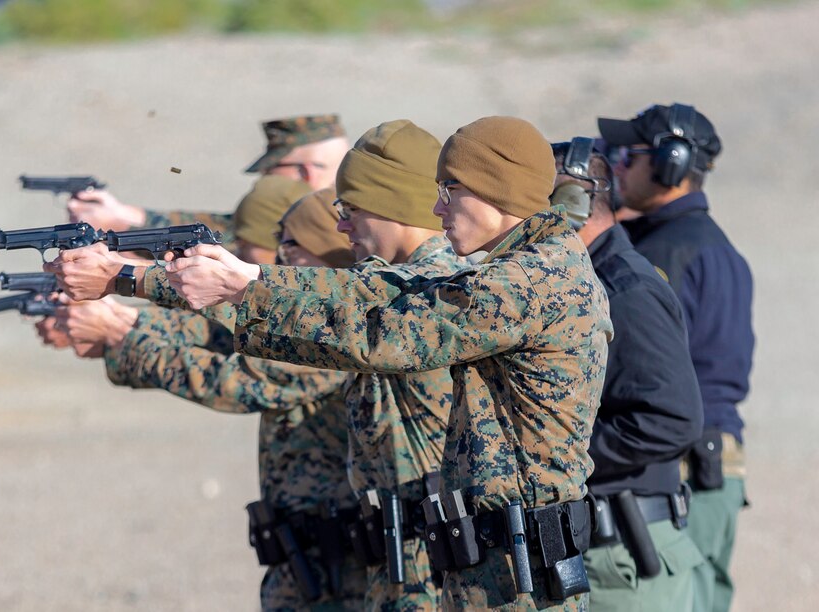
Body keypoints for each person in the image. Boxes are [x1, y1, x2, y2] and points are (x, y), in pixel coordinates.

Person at [147, 116, 612, 610]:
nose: (437, 208)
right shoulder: (522, 271)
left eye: (449, 192)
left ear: (490, 187)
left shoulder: (528, 283)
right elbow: (377, 293)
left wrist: (246, 289)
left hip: (516, 577)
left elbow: (379, 331)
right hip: (496, 565)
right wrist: (249, 279)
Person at [51, 120, 465, 610]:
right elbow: (228, 330)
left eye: (352, 209)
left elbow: (249, 373)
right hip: (385, 556)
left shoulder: (428, 289)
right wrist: (122, 322)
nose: (342, 225)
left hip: (420, 564)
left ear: (389, 202)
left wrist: (126, 302)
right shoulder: (386, 287)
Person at [57, 183, 368, 611]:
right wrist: (121, 326)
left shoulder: (324, 333)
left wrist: (123, 333)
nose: (277, 264)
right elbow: (212, 333)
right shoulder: (300, 320)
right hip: (308, 551)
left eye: (291, 253)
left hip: (344, 557)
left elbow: (239, 381)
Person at [598, 104, 754, 612]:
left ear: (671, 162)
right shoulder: (711, 244)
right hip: (710, 463)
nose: (617, 166)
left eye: (629, 155)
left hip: (688, 467)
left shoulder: (659, 256)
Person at [551, 137, 705, 611]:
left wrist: (562, 454)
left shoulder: (625, 290)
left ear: (571, 206)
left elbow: (673, 419)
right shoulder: (587, 280)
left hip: (624, 558)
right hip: (604, 553)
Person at [67, 114, 350, 241]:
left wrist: (123, 230)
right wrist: (130, 215)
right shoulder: (347, 213)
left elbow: (233, 246)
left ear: (307, 172)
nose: (264, 178)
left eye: (272, 171)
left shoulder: (336, 226)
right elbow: (226, 226)